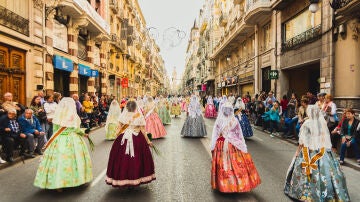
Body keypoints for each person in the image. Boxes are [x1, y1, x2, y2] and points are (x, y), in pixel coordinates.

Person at [284, 105, 350, 201]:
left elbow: (302, 141)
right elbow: (325, 138)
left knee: (305, 172)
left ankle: (305, 194)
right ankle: (329, 193)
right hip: (322, 151)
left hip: (309, 150)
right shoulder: (322, 123)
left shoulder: (307, 123)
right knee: (328, 172)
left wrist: (298, 152)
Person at [34, 98, 93, 191]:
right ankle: (77, 179)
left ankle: (57, 183)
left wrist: (54, 139)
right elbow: (76, 129)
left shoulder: (58, 115)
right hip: (73, 139)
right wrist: (83, 133)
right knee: (75, 160)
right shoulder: (74, 116)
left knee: (58, 160)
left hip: (59, 138)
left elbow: (55, 130)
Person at [211, 101, 261, 193]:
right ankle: (227, 185)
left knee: (234, 165)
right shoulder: (220, 120)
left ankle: (233, 184)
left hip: (232, 144)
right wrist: (213, 144)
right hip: (223, 144)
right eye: (225, 109)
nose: (227, 111)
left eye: (228, 109)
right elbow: (215, 133)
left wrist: (242, 144)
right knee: (227, 165)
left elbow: (239, 134)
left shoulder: (234, 120)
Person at [106, 100, 155, 187]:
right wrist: (148, 141)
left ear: (127, 107)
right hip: (137, 139)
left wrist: (117, 139)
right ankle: (135, 177)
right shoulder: (139, 116)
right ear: (136, 108)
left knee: (121, 159)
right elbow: (143, 131)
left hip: (123, 138)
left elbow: (118, 129)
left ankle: (122, 178)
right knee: (137, 159)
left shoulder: (122, 116)